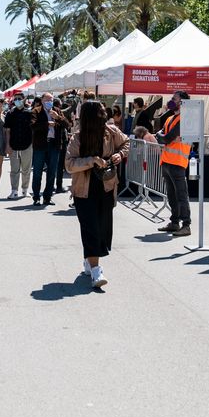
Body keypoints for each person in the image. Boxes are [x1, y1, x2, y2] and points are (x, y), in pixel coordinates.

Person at [65, 100, 129, 288]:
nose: (105, 113)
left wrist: (120, 155)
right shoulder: (77, 137)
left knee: (102, 228)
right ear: (92, 115)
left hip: (106, 187)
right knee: (90, 227)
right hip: (83, 190)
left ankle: (89, 259)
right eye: (101, 111)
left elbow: (126, 142)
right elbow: (69, 165)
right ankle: (96, 271)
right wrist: (92, 160)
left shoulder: (110, 132)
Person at [155, 91, 193, 237]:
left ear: (181, 102)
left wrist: (163, 137)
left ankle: (186, 225)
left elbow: (166, 138)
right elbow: (161, 135)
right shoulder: (170, 118)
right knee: (171, 195)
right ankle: (175, 222)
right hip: (166, 161)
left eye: (174, 99)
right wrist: (162, 136)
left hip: (177, 163)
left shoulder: (185, 118)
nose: (171, 101)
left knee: (181, 195)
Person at [31, 93, 70, 206]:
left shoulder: (57, 111)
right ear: (42, 100)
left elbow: (67, 125)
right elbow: (33, 126)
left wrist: (58, 118)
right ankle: (36, 196)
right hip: (40, 145)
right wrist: (47, 124)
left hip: (54, 145)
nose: (49, 102)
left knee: (52, 172)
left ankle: (47, 197)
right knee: (37, 172)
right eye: (47, 100)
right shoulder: (36, 111)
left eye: (51, 100)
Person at [4, 92, 34, 199]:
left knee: (26, 169)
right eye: (15, 98)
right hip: (14, 145)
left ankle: (25, 190)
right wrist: (7, 145)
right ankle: (14, 190)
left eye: (19, 98)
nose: (17, 100)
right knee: (14, 170)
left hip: (27, 144)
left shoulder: (30, 112)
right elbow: (7, 130)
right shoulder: (10, 113)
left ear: (24, 99)